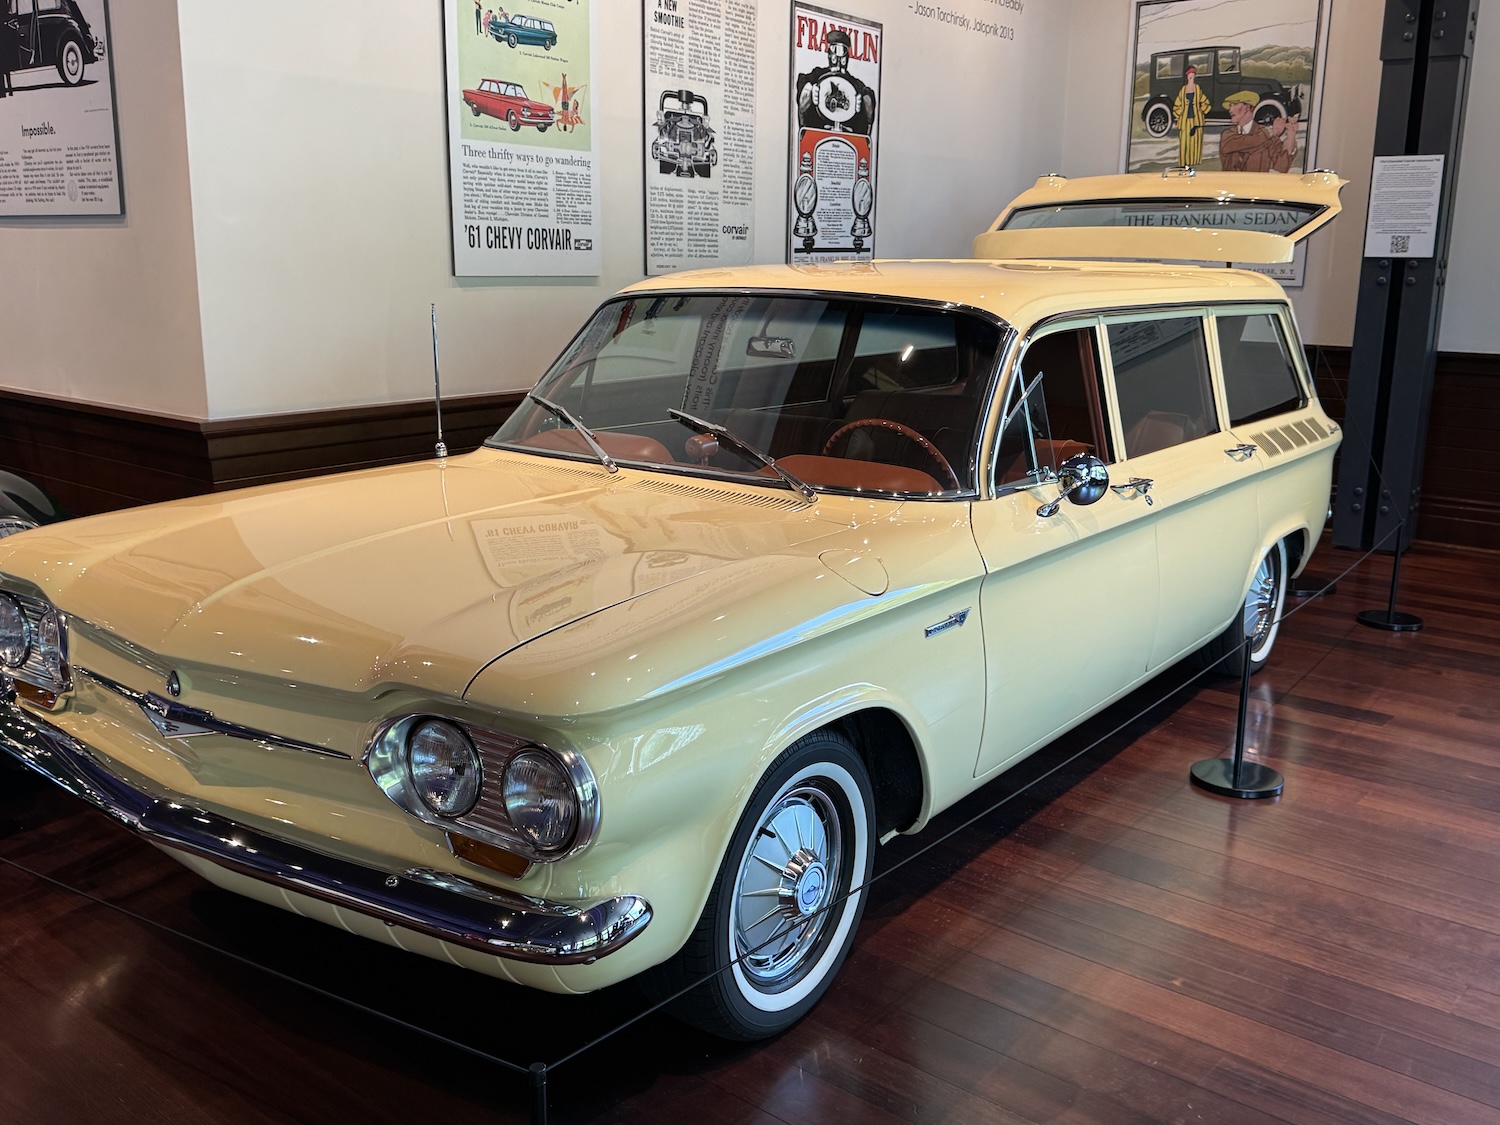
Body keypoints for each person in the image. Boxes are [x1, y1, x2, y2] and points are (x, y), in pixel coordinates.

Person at [796, 28, 875, 134]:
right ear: (829, 54)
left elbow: (868, 104)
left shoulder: (855, 84)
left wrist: (862, 101)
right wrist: (811, 91)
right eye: (834, 50)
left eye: (842, 51)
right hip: (818, 133)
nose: (838, 58)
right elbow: (803, 91)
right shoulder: (817, 74)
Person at [1218, 90, 1297, 173]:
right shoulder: (1228, 135)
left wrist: (1291, 133)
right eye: (1230, 106)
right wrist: (1272, 132)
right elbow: (1248, 142)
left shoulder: (1266, 134)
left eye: (1235, 104)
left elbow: (1282, 165)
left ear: (1248, 107)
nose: (1230, 110)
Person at [1172, 64, 1209, 168]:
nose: (1191, 76)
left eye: (1193, 74)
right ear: (1187, 76)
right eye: (1189, 75)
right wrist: (1179, 113)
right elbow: (1177, 104)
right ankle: (1184, 161)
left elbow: (1204, 101)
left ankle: (1195, 160)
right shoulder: (1183, 90)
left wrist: (1202, 111)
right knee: (1185, 141)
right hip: (1185, 120)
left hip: (1196, 120)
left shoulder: (1197, 88)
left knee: (1196, 141)